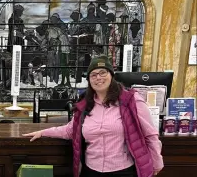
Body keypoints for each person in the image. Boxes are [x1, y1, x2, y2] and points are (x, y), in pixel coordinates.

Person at [23, 55, 163, 177]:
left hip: (123, 170)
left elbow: (150, 135)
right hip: (91, 171)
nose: (98, 78)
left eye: (103, 73)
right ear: (89, 80)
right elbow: (70, 130)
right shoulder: (84, 105)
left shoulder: (131, 100)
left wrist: (156, 163)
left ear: (112, 75)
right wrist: (43, 132)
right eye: (93, 75)